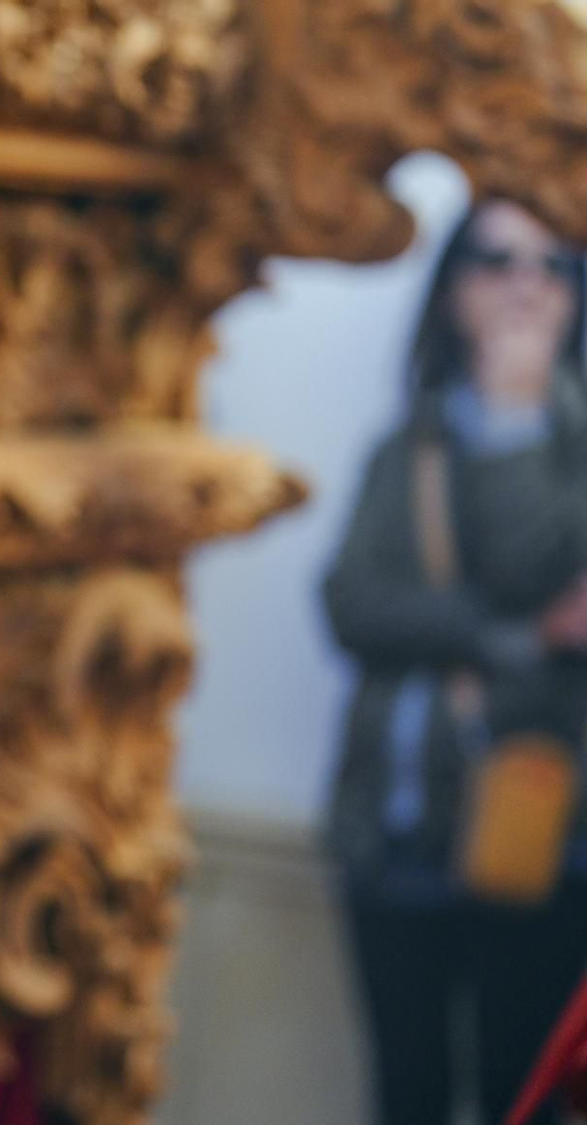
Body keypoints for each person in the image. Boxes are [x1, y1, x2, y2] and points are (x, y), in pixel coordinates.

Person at [323, 197, 587, 1125]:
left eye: (554, 265)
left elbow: (526, 555)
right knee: (410, 1094)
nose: (525, 284)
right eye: (495, 258)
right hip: (389, 834)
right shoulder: (411, 443)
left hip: (534, 839)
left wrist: (517, 411)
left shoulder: (574, 445)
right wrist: (515, 635)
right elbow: (352, 602)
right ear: (449, 289)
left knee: (523, 1095)